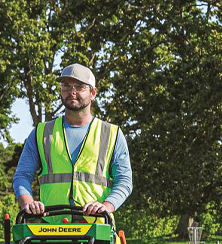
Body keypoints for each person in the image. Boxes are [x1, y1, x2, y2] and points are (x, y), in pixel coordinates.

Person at [13, 63, 133, 220]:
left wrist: (106, 206)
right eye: (66, 86)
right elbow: (22, 175)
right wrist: (28, 202)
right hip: (52, 227)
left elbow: (124, 181)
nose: (72, 91)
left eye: (79, 86)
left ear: (93, 93)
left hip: (97, 226)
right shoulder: (41, 133)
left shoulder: (112, 134)